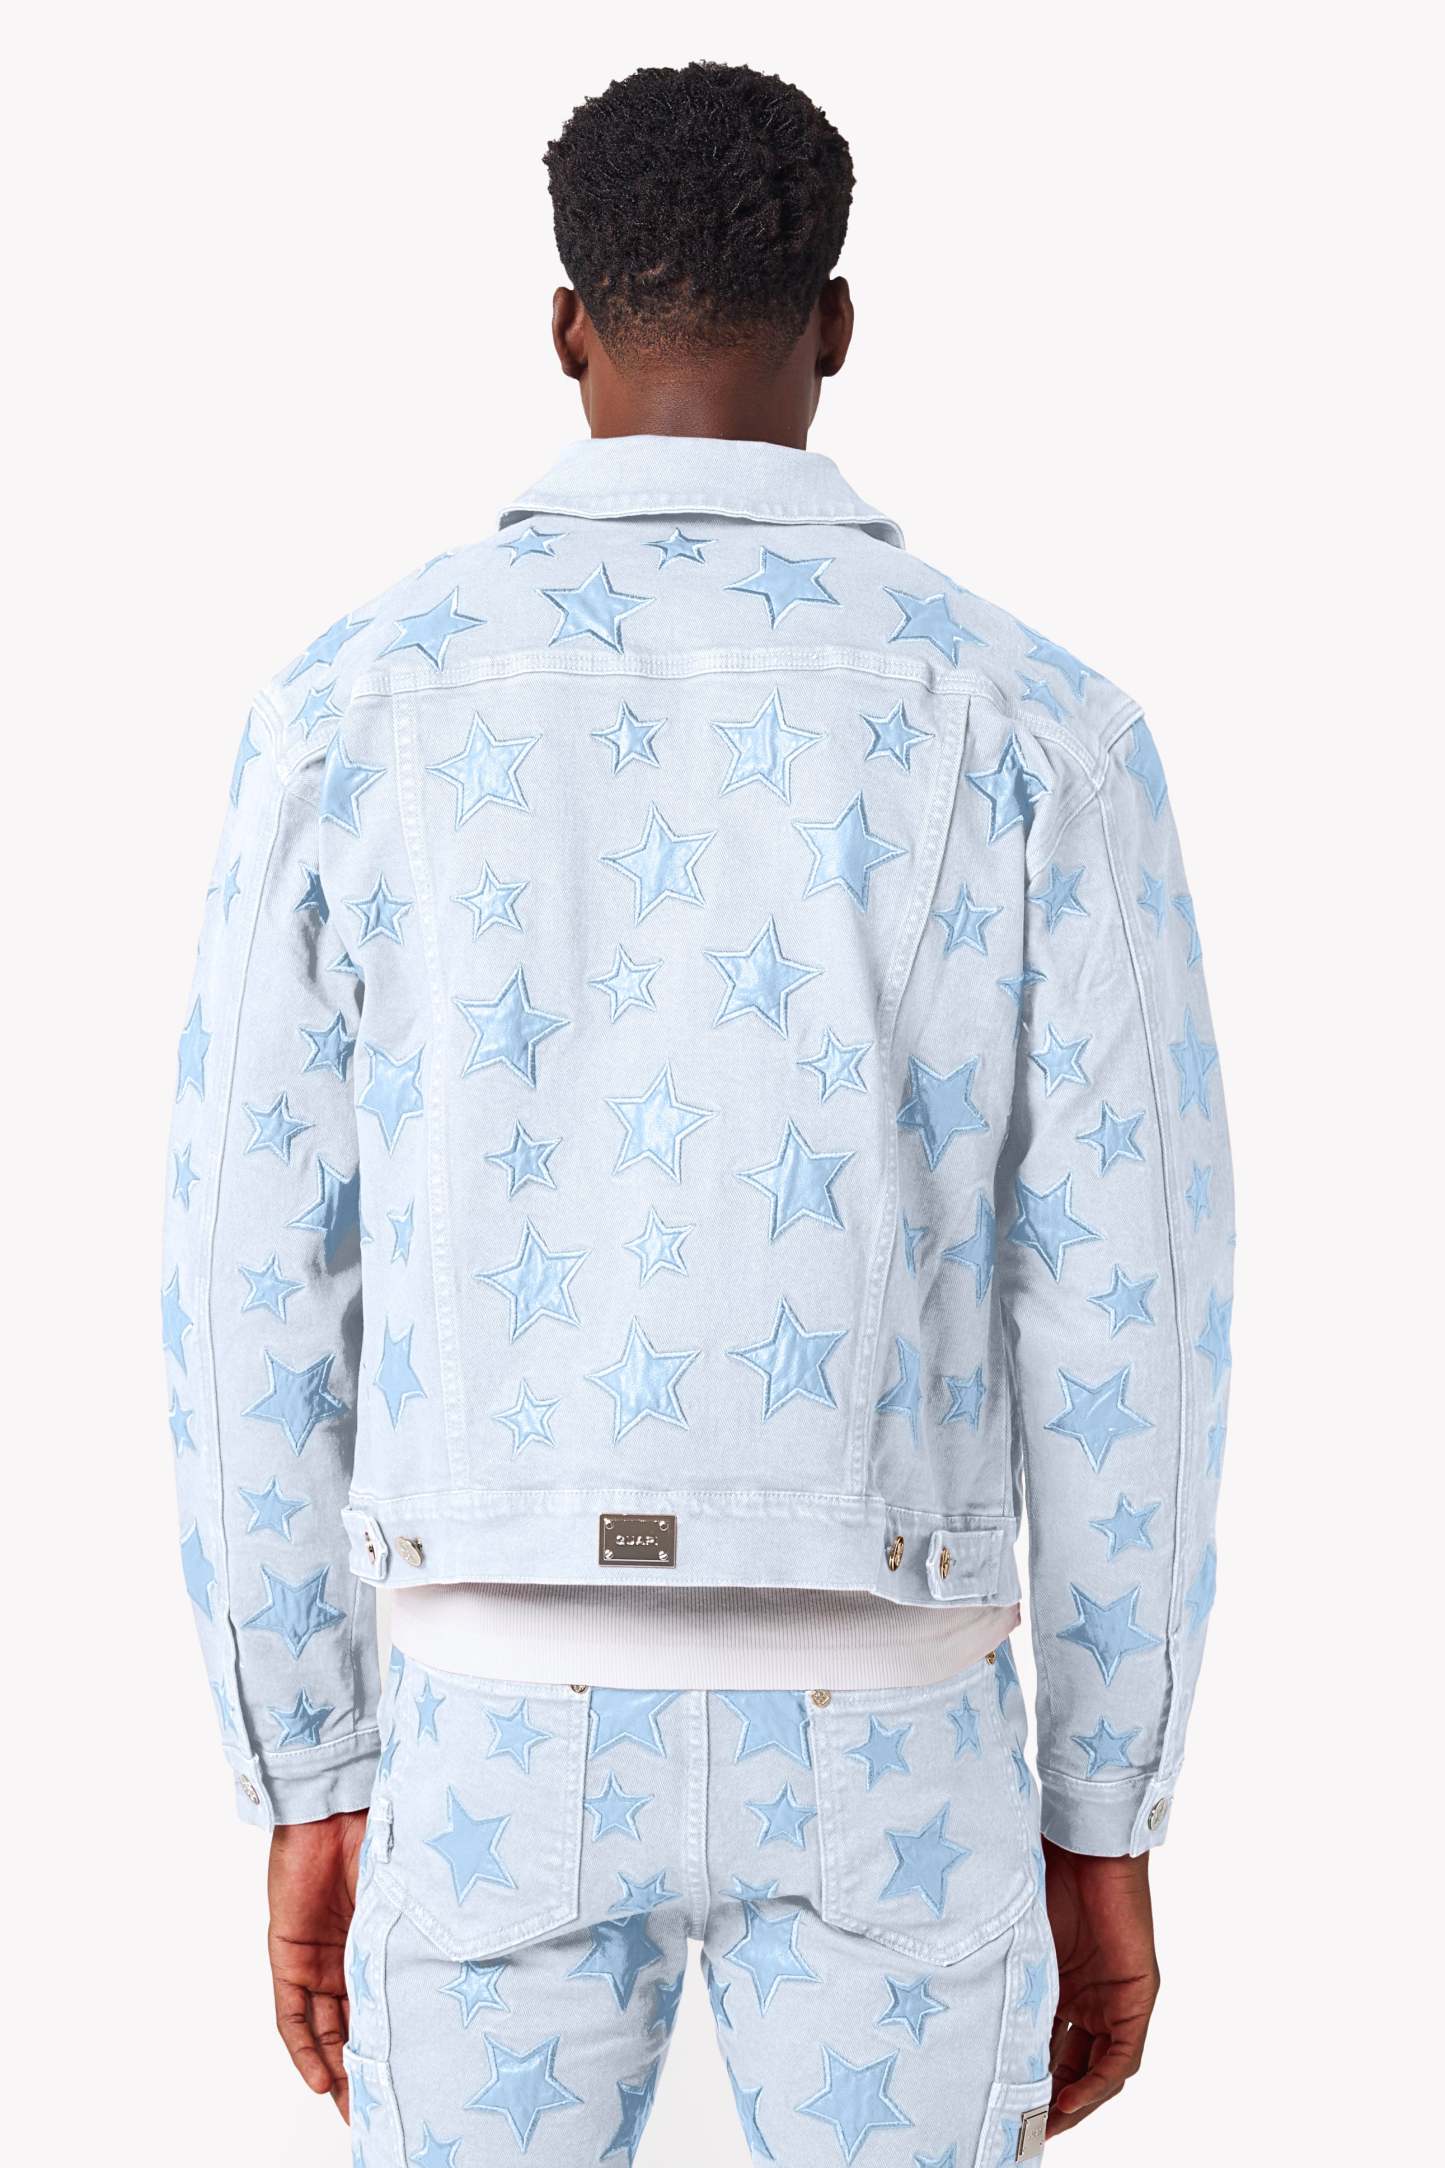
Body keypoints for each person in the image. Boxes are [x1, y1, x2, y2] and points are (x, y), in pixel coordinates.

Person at [162, 59, 1233, 2166]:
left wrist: (309, 1766)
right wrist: (1104, 1812)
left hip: (491, 1723)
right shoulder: (1039, 725)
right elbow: (1137, 1306)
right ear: (834, 325)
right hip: (899, 1728)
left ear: (567, 326)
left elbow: (244, 1269)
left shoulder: (352, 709)